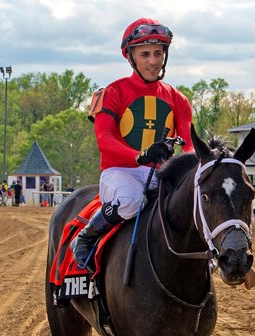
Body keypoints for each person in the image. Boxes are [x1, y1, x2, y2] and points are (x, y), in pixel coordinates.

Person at [70, 18, 194, 267]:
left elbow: (189, 144)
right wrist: (140, 155)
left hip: (160, 174)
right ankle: (86, 236)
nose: (153, 61)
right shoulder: (112, 93)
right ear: (131, 57)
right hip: (119, 173)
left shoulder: (178, 99)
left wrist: (189, 164)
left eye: (158, 53)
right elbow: (104, 140)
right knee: (131, 201)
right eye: (145, 54)